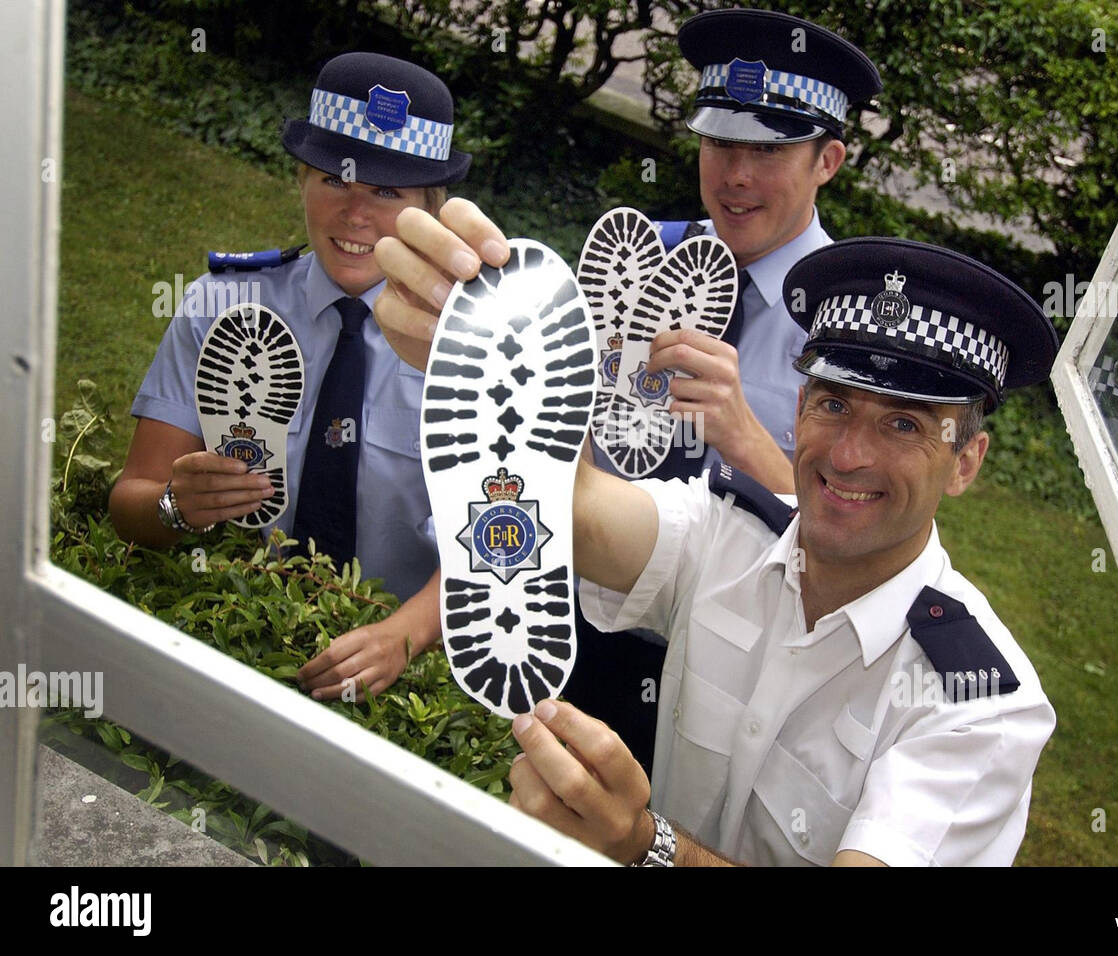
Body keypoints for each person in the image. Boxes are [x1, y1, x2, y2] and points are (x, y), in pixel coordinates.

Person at [376, 211, 1060, 865]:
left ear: (965, 462)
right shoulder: (731, 531)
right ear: (800, 409)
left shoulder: (980, 704)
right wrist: (493, 348)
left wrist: (646, 849)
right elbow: (571, 507)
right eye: (834, 404)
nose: (850, 454)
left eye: (904, 425)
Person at [375, 7, 882, 771]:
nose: (736, 175)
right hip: (568, 633)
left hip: (731, 680)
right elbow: (550, 455)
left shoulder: (859, 333)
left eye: (769, 150)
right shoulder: (639, 263)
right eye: (720, 141)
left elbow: (873, 554)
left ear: (830, 161)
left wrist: (745, 439)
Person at [109, 52, 476, 700]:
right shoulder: (221, 309)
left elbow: (507, 547)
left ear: (432, 208)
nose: (356, 214)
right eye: (336, 179)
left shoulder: (474, 346)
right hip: (235, 635)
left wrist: (403, 635)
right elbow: (131, 500)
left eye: (388, 191)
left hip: (413, 680)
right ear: (302, 178)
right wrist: (177, 506)